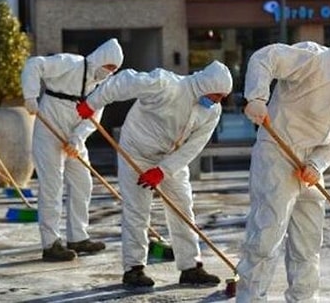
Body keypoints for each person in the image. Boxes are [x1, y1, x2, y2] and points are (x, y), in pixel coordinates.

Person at [236, 22, 330, 302]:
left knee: (308, 241)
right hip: (278, 152)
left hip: (309, 167)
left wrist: (317, 165)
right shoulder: (313, 59)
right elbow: (264, 58)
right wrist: (257, 97)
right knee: (267, 233)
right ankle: (251, 297)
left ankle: (304, 298)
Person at [75, 60, 233, 287]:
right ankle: (134, 269)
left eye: (221, 97)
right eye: (217, 95)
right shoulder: (165, 84)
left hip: (170, 158)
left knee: (183, 208)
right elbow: (124, 81)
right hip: (136, 153)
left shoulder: (211, 111)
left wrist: (163, 170)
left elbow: (194, 146)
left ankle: (190, 267)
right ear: (205, 85)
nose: (218, 101)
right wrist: (92, 103)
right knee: (137, 210)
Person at [21, 38, 123, 262]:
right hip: (49, 131)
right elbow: (34, 64)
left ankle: (78, 236)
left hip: (74, 137)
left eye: (114, 70)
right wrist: (30, 96)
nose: (109, 73)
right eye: (108, 67)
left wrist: (77, 139)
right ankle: (51, 243)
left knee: (83, 182)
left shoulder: (100, 86)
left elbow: (94, 116)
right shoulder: (70, 63)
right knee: (52, 186)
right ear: (100, 60)